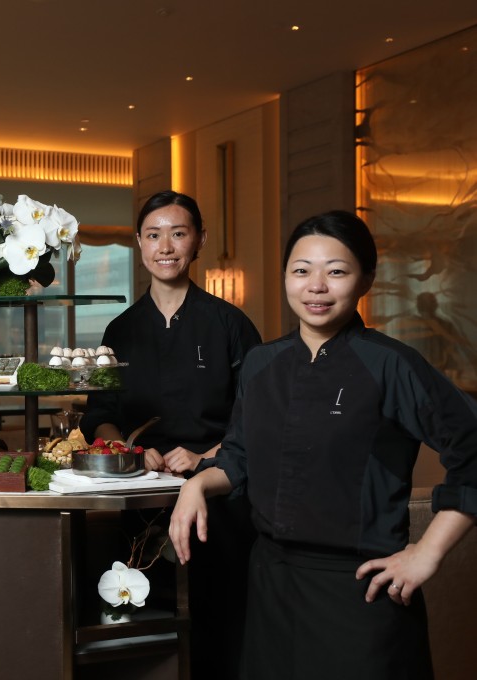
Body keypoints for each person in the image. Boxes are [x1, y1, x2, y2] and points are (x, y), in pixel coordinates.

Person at [169, 210, 477, 680]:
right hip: (270, 583)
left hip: (360, 592)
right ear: (286, 278)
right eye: (301, 270)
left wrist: (428, 552)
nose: (316, 285)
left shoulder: (391, 365)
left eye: (336, 271)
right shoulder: (261, 364)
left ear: (365, 280)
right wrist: (197, 485)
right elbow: (239, 455)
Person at [79, 190, 261, 680]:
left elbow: (259, 418)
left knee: (220, 621)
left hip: (221, 499)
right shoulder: (119, 330)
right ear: (139, 244)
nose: (166, 246)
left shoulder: (230, 324)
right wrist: (132, 450)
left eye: (178, 233)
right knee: (145, 620)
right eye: (154, 235)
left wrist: (206, 455)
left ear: (198, 241)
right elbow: (100, 415)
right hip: (140, 501)